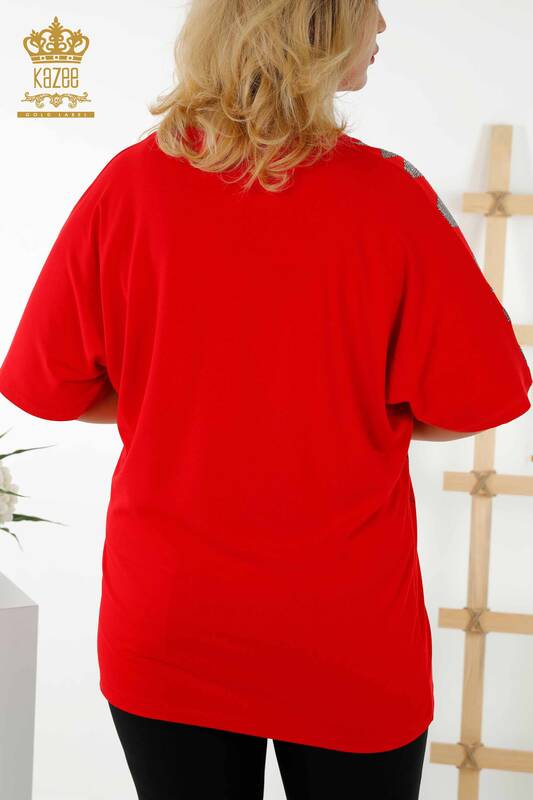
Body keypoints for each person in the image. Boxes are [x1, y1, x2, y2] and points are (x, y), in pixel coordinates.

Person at [0, 1, 530, 798]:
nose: (382, 25)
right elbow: (480, 398)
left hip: (170, 621)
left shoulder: (129, 185)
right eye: (366, 7)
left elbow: (48, 385)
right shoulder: (390, 196)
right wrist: (350, 413)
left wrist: (173, 402)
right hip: (345, 630)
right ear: (314, 29)